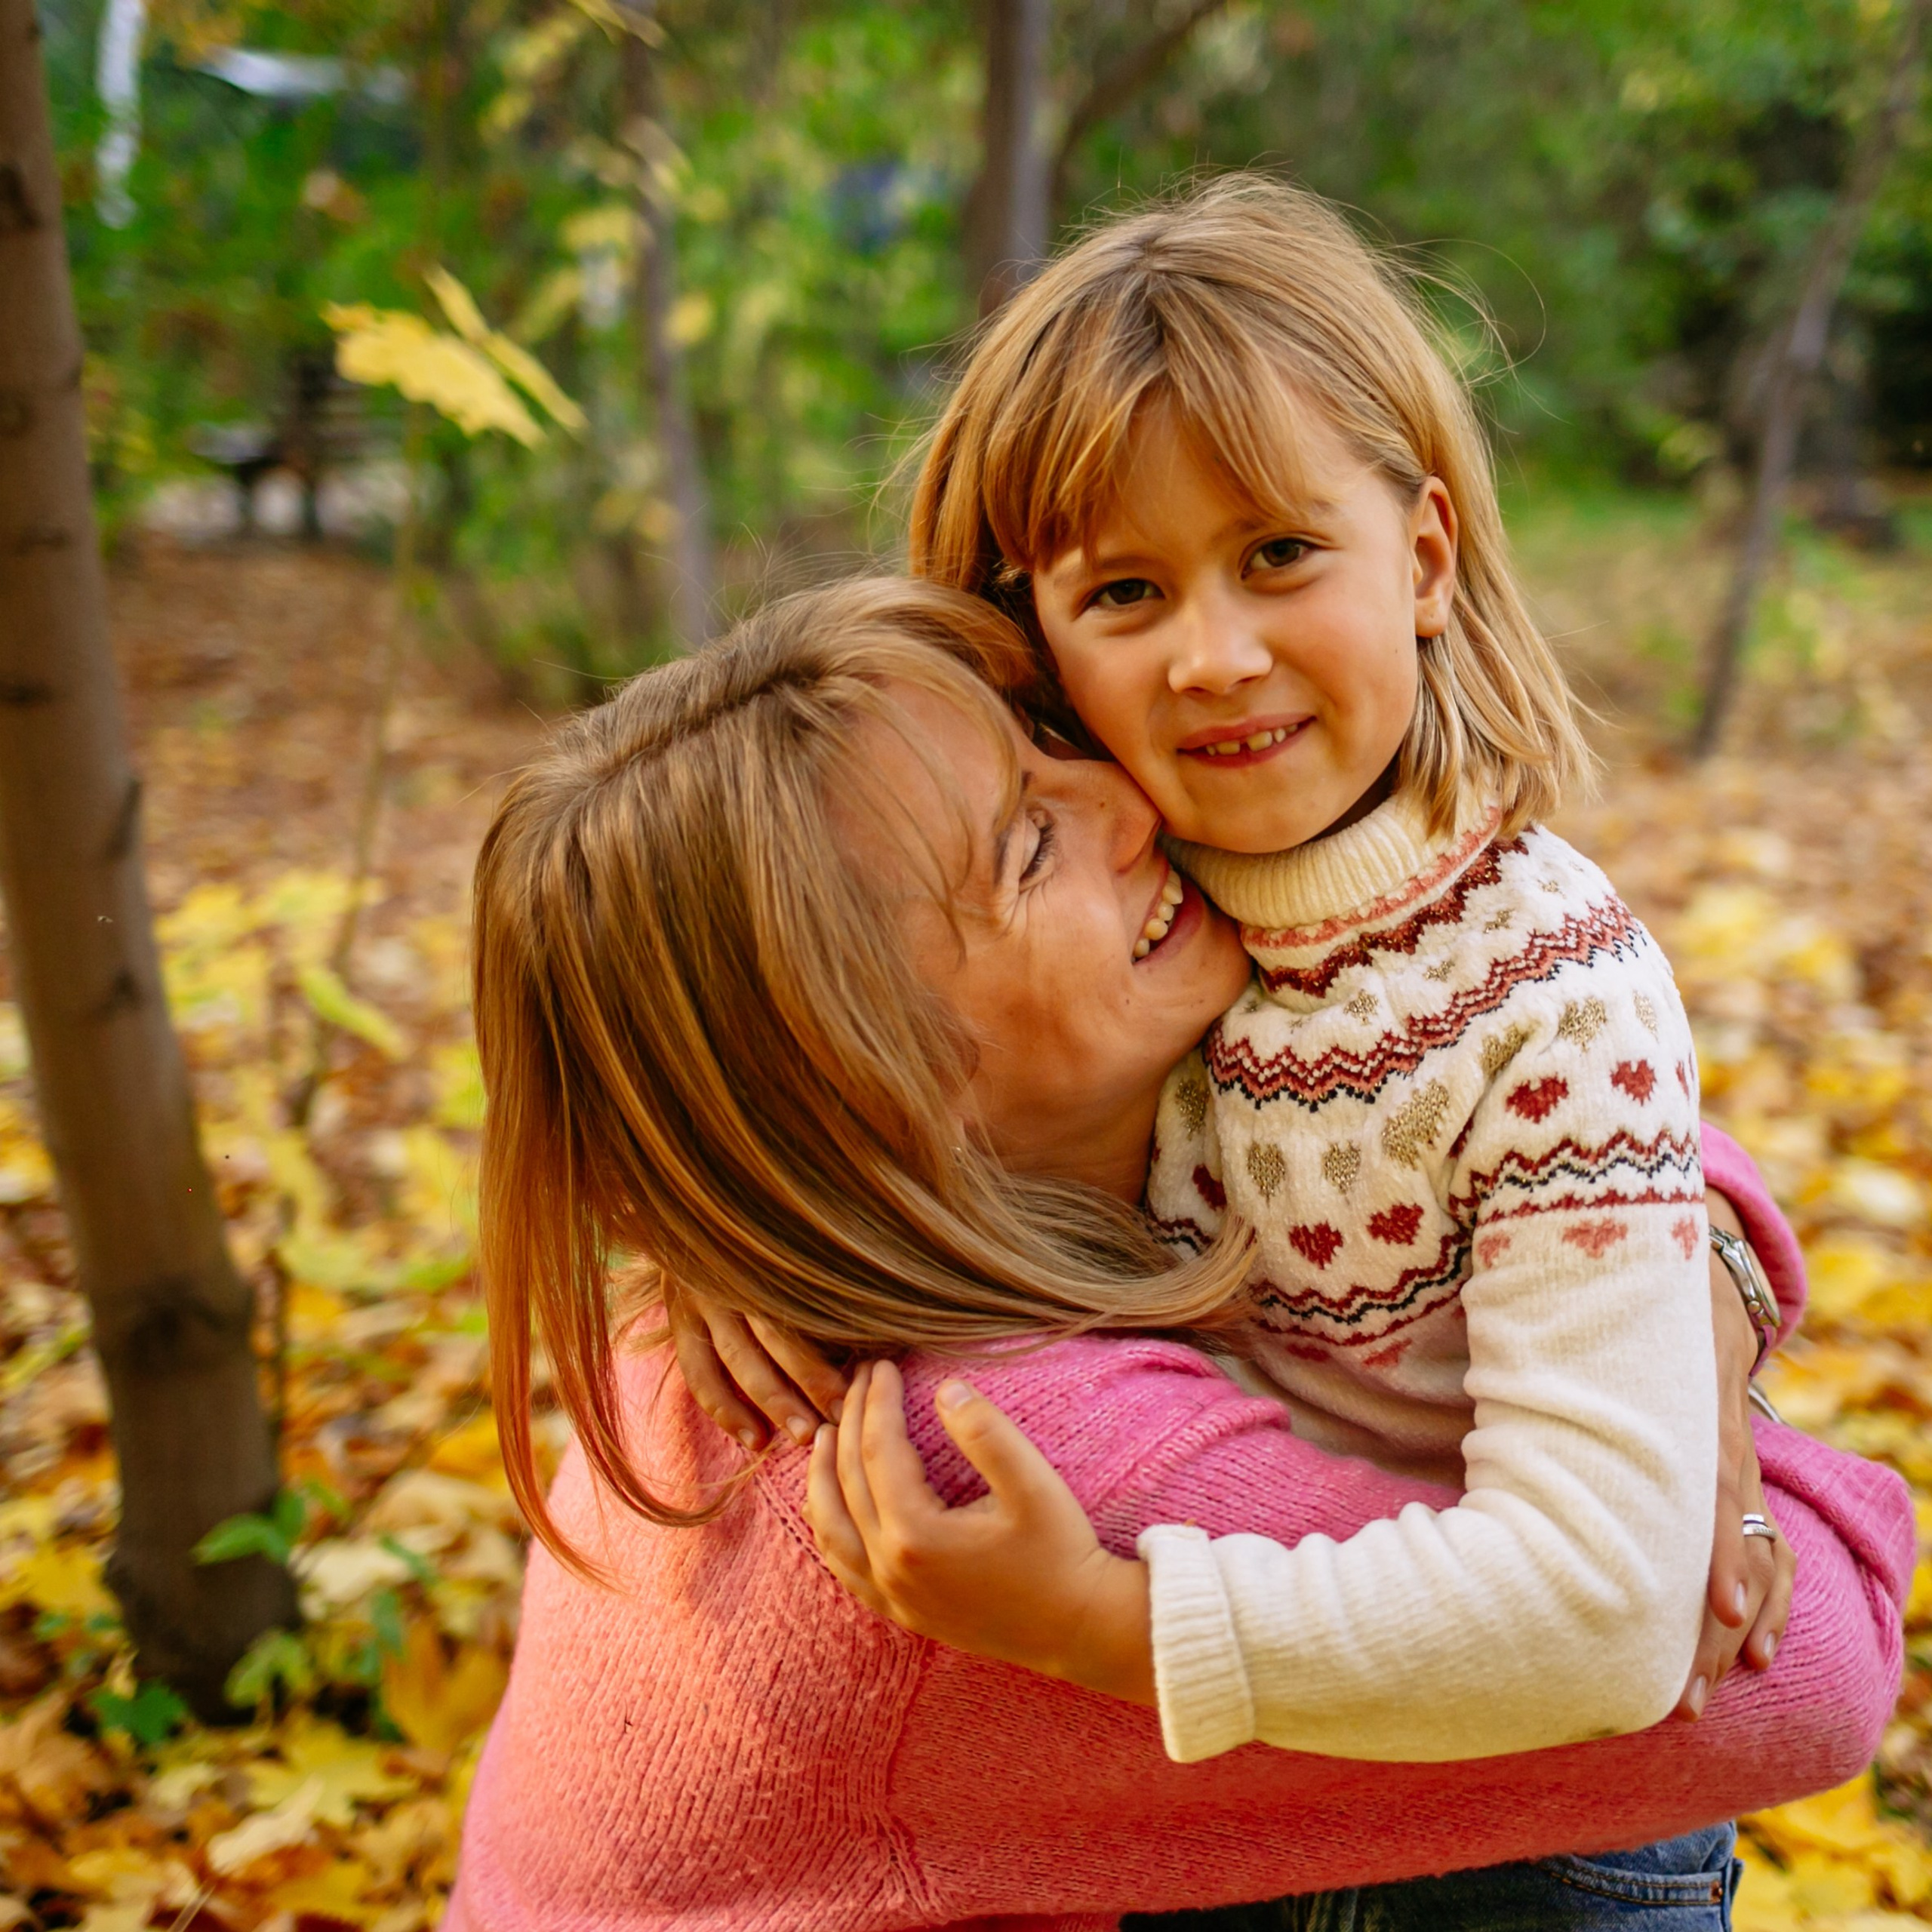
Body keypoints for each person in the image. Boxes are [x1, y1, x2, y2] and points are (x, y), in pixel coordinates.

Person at [450, 577, 1909, 1932]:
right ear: (861, 1087)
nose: (1132, 800)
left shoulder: (795, 1249)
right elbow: (1812, 1672)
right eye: (1029, 843)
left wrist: (1679, 1251)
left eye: (1051, 744)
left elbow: (1458, 1123)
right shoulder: (990, 1465)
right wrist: (1658, 1328)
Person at [783, 173, 1770, 1784]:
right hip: (1216, 1813)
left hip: (1520, 1840)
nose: (1213, 655)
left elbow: (1606, 1605)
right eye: (1123, 590)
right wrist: (726, 1269)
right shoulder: (1110, 917)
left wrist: (1102, 1622)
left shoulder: (1543, 989)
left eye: (1280, 552)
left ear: (1425, 557)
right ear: (1020, 629)